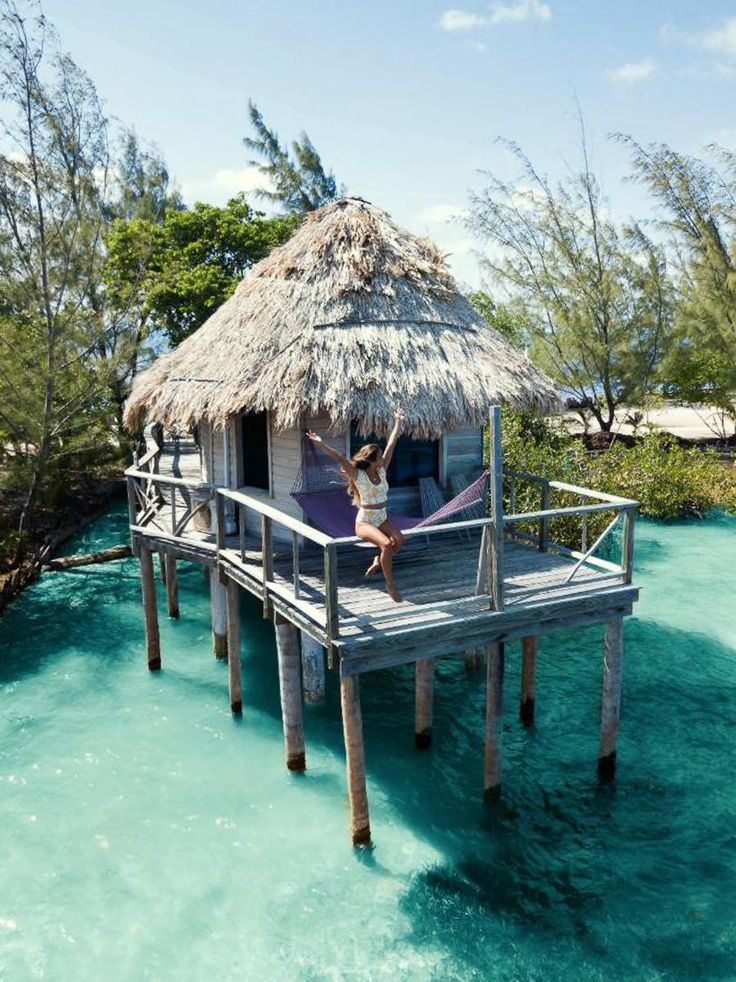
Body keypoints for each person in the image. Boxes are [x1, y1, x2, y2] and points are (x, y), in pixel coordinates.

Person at [306, 408, 406, 602]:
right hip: (365, 521)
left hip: (382, 517)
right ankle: (390, 585)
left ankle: (379, 560)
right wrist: (321, 444)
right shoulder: (358, 475)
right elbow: (340, 459)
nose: (382, 458)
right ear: (372, 461)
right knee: (386, 544)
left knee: (399, 540)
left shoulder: (382, 470)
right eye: (378, 457)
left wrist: (398, 422)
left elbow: (392, 443)